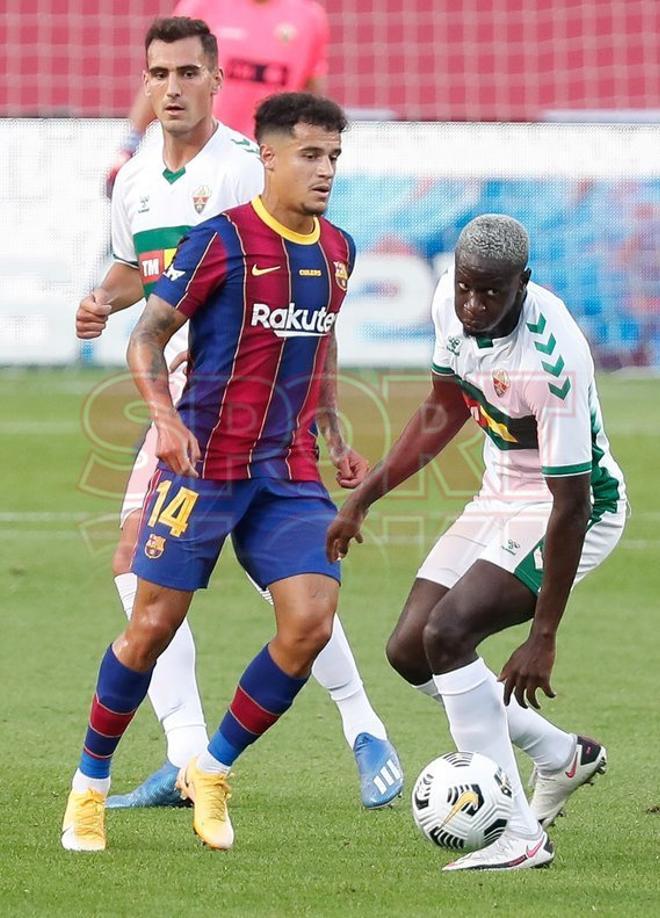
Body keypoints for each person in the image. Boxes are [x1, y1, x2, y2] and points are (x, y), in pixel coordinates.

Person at [77, 18, 401, 814]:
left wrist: (317, 417)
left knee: (287, 589)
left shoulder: (239, 175)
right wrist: (101, 299)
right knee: (144, 573)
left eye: (189, 72)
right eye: (159, 74)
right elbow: (145, 271)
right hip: (186, 410)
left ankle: (348, 728)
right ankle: (194, 755)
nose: (173, 88)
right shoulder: (136, 180)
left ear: (218, 81)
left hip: (233, 414)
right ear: (146, 82)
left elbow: (287, 293)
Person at [327, 214, 627, 871]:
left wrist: (543, 635)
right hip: (501, 491)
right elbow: (442, 408)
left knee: (449, 635)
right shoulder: (449, 306)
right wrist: (363, 497)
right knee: (411, 650)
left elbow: (572, 504)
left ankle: (518, 836)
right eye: (465, 287)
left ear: (523, 284)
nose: (472, 304)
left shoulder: (555, 358)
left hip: (573, 508)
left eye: (490, 293)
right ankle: (560, 755)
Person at [107, 0, 328, 194]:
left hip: (268, 168)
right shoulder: (203, 6)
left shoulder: (309, 17)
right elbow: (164, 79)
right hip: (202, 160)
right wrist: (129, 145)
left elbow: (312, 96)